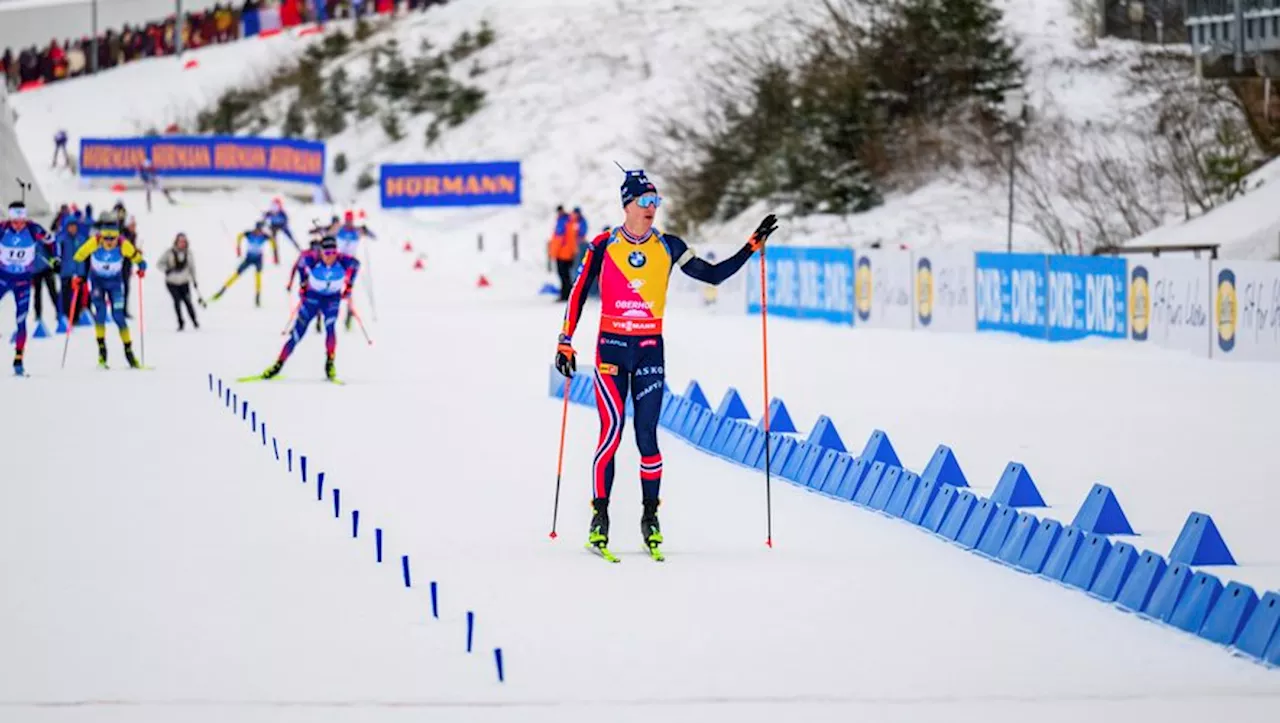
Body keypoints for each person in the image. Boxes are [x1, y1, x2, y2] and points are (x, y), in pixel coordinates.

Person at [554, 170, 777, 561]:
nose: (651, 209)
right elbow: (577, 293)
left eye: (655, 202)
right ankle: (600, 519)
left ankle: (650, 519)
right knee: (611, 433)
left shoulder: (669, 246)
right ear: (627, 203)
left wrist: (749, 248)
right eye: (644, 202)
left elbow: (711, 274)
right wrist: (565, 340)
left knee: (647, 438)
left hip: (649, 353)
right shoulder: (604, 244)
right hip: (611, 351)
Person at [252, 235, 359, 382]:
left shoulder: (344, 260)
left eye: (334, 252)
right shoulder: (311, 259)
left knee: (330, 328)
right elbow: (300, 265)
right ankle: (277, 365)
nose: (331, 257)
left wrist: (349, 287)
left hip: (332, 299)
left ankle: (330, 364)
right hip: (312, 299)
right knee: (297, 335)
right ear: (321, 252)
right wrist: (302, 285)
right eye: (327, 253)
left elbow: (356, 265)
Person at [71, 220, 147, 369]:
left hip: (115, 283)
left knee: (118, 316)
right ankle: (102, 352)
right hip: (98, 282)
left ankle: (129, 352)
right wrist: (77, 275)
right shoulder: (95, 241)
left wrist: (142, 268)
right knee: (100, 314)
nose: (109, 242)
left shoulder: (123, 244)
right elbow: (78, 256)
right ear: (101, 236)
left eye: (113, 238)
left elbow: (139, 258)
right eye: (106, 238)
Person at [0, 201, 57, 375]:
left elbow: (51, 240)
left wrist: (55, 258)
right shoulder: (2, 228)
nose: (18, 225)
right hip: (2, 279)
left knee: (21, 320)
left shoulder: (33, 229)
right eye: (15, 221)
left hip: (23, 282)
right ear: (10, 218)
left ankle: (18, 360)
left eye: (21, 221)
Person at [210, 220, 277, 307]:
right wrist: (238, 249)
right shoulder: (249, 234)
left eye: (261, 230)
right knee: (236, 275)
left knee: (258, 278)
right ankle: (222, 290)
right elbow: (239, 236)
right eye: (259, 229)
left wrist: (274, 255)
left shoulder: (264, 236)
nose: (260, 232)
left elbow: (273, 242)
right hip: (248, 258)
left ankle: (257, 297)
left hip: (258, 259)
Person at [334, 211, 375, 329]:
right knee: (335, 286)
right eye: (347, 221)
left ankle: (349, 312)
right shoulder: (339, 229)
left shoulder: (357, 231)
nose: (349, 223)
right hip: (339, 260)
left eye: (350, 221)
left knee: (349, 287)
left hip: (350, 262)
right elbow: (327, 232)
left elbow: (373, 236)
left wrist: (366, 230)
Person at [157, 232, 201, 330]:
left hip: (184, 282)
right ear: (176, 242)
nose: (182, 243)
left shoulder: (189, 253)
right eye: (180, 241)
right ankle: (180, 323)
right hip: (171, 282)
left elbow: (192, 268)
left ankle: (194, 321)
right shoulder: (169, 252)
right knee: (177, 301)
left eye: (184, 242)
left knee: (188, 301)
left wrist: (194, 280)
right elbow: (159, 264)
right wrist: (167, 269)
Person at [54, 212, 89, 328]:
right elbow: (58, 254)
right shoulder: (62, 239)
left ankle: (75, 316)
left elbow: (86, 255)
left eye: (74, 226)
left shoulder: (82, 239)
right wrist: (57, 264)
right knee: (65, 294)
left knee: (78, 295)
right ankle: (64, 315)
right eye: (70, 226)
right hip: (66, 272)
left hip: (79, 271)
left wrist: (85, 271)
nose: (73, 228)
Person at [548, 205, 576, 301]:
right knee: (567, 275)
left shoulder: (562, 222)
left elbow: (558, 239)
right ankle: (568, 294)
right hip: (569, 253)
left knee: (563, 275)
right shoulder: (570, 222)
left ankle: (565, 295)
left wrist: (553, 253)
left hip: (562, 253)